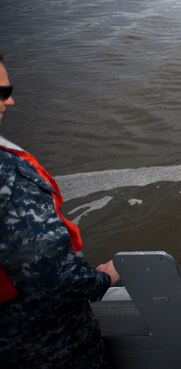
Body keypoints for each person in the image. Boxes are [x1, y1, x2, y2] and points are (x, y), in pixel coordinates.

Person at [0, 54, 121, 369]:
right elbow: (51, 273)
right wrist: (102, 279)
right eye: (1, 93)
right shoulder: (10, 174)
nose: (10, 101)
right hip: (37, 342)